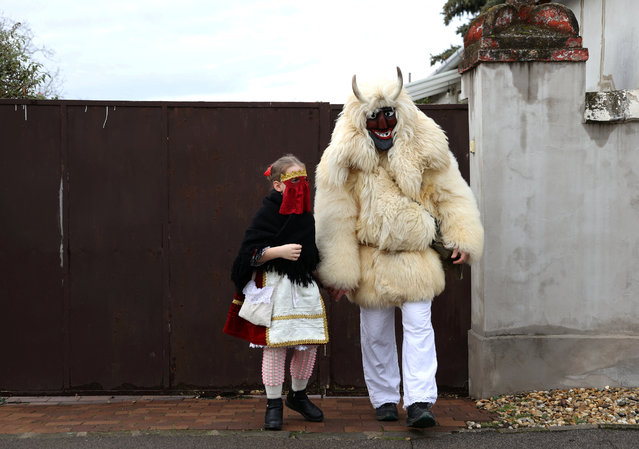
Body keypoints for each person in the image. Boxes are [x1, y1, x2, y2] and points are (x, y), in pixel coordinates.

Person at [314, 68, 484, 428]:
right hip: (371, 259)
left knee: (419, 328)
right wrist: (341, 272)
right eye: (374, 116)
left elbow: (450, 192)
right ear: (361, 119)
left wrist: (462, 235)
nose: (382, 122)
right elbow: (335, 217)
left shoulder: (425, 147)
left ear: (399, 113)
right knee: (375, 332)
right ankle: (385, 398)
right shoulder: (342, 159)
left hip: (415, 258)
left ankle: (420, 400)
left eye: (389, 114)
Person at [223, 154, 328, 431]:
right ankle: (273, 403)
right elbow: (249, 253)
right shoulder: (267, 213)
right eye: (294, 179)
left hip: (302, 287)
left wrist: (329, 283)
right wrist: (278, 251)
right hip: (274, 286)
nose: (301, 184)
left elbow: (311, 257)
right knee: (276, 345)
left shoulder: (306, 216)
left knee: (308, 342)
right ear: (279, 185)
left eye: (304, 179)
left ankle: (298, 395)